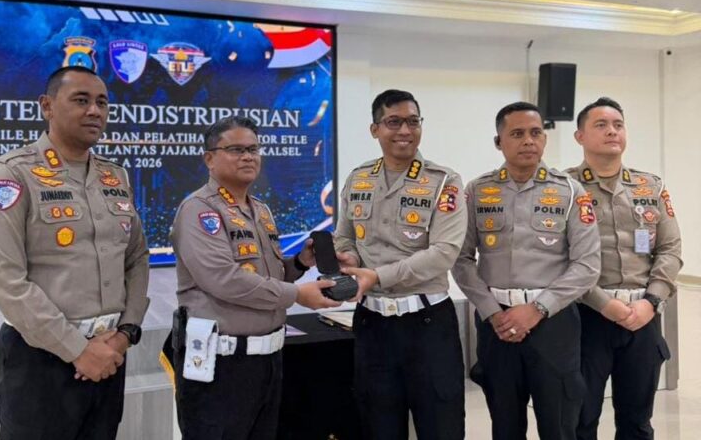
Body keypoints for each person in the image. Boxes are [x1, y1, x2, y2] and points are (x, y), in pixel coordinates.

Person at [0, 65, 150, 439]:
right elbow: (4, 279)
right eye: (81, 100)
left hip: (109, 354)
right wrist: (76, 349)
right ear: (47, 106)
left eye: (102, 102)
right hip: (40, 359)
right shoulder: (13, 174)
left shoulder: (115, 177)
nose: (95, 111)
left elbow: (136, 257)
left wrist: (125, 333)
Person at [169, 115, 340, 439]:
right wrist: (298, 295)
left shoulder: (260, 210)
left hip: (267, 362)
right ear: (209, 158)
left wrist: (300, 262)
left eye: (253, 149)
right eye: (236, 149)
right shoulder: (199, 210)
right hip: (221, 365)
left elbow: (269, 274)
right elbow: (224, 280)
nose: (248, 157)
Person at [452, 101, 601, 440]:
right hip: (496, 324)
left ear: (544, 139)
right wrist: (493, 313)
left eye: (536, 133)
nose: (528, 141)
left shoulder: (570, 191)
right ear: (499, 142)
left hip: (554, 322)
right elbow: (460, 259)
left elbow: (587, 265)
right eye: (517, 134)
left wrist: (537, 309)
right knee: (505, 424)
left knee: (559, 424)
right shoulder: (477, 191)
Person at [334, 89, 468, 440]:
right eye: (394, 122)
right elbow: (344, 237)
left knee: (441, 428)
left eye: (413, 121)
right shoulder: (358, 178)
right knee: (378, 427)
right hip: (372, 324)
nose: (405, 130)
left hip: (428, 326)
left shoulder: (444, 181)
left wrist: (377, 276)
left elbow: (444, 252)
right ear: (375, 129)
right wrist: (348, 259)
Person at [567, 97, 682, 440]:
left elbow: (670, 249)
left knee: (637, 422)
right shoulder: (564, 188)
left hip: (643, 315)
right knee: (580, 419)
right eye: (601, 125)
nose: (612, 131)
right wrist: (605, 304)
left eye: (618, 124)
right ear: (580, 136)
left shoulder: (650, 186)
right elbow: (559, 259)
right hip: (586, 316)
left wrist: (651, 301)